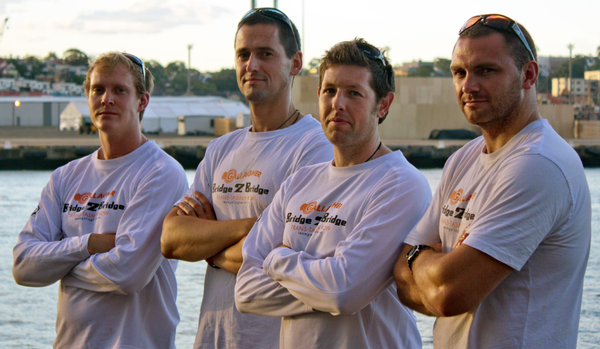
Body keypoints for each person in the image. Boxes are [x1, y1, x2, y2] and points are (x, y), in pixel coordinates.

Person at [394, 14, 591, 348]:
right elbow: (399, 280)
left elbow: (448, 295)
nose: (468, 85)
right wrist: (433, 265)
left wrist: (419, 257)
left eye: (486, 70)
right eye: (459, 72)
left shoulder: (540, 165)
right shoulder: (463, 159)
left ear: (528, 75)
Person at [235, 39, 430, 349]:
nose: (338, 103)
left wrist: (276, 259)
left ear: (383, 104)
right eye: (330, 90)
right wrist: (326, 279)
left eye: (354, 93)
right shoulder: (300, 180)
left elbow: (343, 292)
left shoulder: (400, 184)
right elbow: (245, 291)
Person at [160, 8, 334, 349]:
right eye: (243, 54)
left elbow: (292, 249)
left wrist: (209, 250)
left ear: (295, 63)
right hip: (213, 338)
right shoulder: (221, 149)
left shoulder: (315, 147)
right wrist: (254, 225)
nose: (251, 65)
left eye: (265, 54)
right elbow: (172, 240)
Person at [12, 52, 188, 348]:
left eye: (120, 90)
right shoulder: (65, 177)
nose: (107, 98)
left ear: (141, 101)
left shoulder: (161, 172)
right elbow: (23, 265)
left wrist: (59, 264)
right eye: (98, 89)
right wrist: (89, 244)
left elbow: (127, 274)